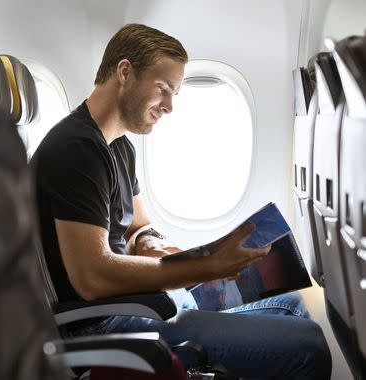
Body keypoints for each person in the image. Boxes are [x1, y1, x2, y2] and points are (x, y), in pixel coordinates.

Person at [31, 23, 331, 379]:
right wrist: (209, 267)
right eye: (163, 89)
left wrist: (152, 243)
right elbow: (91, 277)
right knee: (308, 346)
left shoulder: (118, 146)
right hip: (107, 323)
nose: (170, 106)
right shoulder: (76, 149)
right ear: (124, 72)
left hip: (142, 305)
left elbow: (139, 226)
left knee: (292, 306)